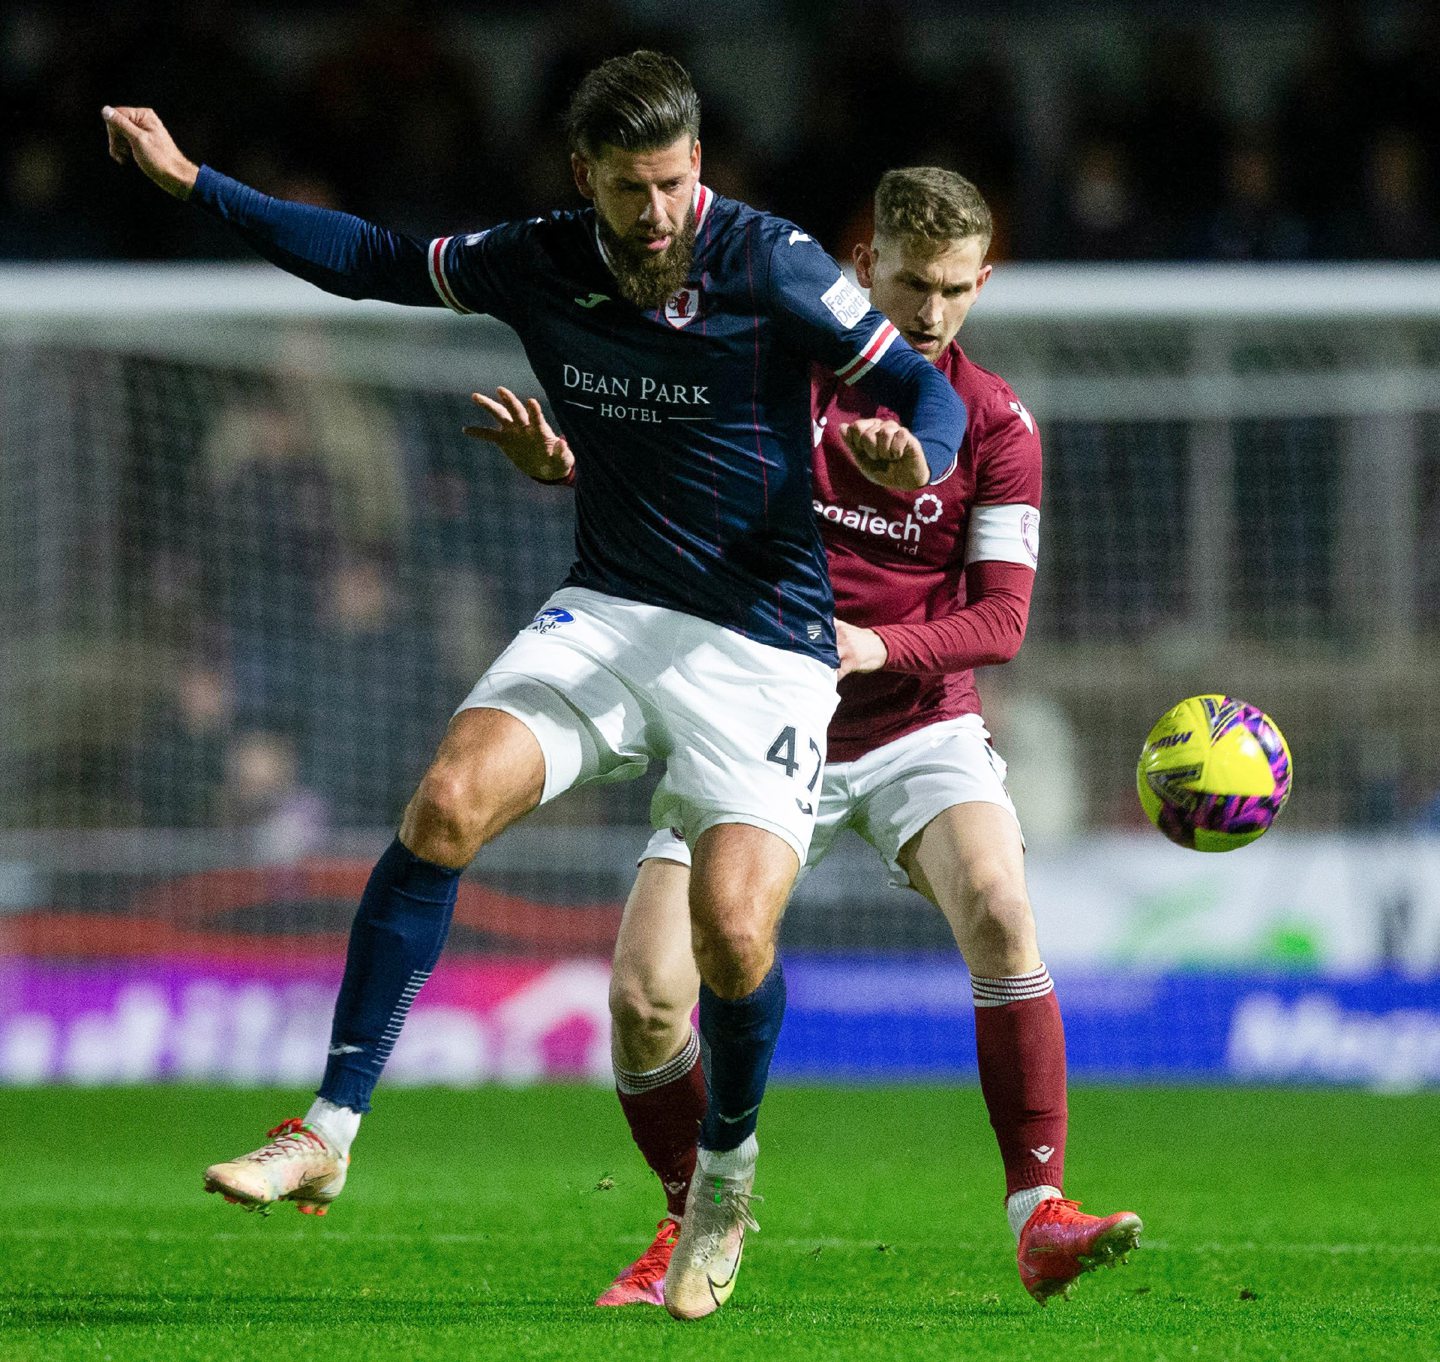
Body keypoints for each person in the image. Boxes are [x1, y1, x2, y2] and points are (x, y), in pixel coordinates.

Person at [102, 51, 967, 1321]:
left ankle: (723, 1180)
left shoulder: (771, 259)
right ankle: (331, 1124)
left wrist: (911, 457)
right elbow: (375, 261)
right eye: (633, 190)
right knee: (445, 804)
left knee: (733, 939)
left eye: (676, 183)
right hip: (612, 610)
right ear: (587, 182)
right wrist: (193, 184)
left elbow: (921, 390)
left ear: (699, 171)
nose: (662, 214)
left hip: (766, 645)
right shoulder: (542, 254)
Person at [471, 167, 1141, 1308]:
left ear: (985, 281)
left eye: (954, 289)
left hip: (913, 728)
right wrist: (573, 466)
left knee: (1001, 902)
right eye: (909, 281)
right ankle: (695, 1220)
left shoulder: (997, 428)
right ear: (864, 264)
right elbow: (661, 478)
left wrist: (875, 647)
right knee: (641, 997)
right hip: (749, 712)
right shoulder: (780, 367)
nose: (929, 312)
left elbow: (1003, 620)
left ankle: (1041, 1214)